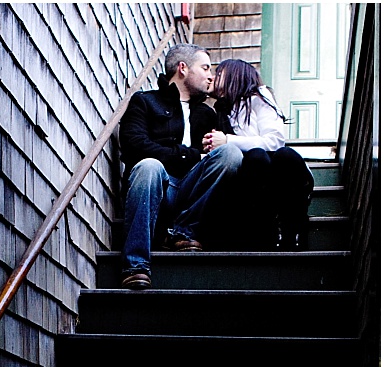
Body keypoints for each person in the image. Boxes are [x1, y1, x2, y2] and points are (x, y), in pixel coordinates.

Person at [119, 43, 244, 289]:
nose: (211, 76)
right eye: (206, 68)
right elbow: (134, 144)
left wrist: (221, 101)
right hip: (157, 188)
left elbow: (223, 160)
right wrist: (189, 156)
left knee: (229, 152)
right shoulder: (145, 101)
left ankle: (183, 233)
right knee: (149, 166)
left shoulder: (208, 114)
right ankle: (135, 265)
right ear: (183, 68)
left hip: (190, 194)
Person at [202, 58, 314, 249]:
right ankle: (265, 233)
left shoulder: (259, 96)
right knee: (255, 159)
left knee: (280, 155)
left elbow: (274, 141)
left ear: (235, 75)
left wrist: (228, 140)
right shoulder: (220, 111)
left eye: (218, 73)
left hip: (280, 175)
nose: (212, 77)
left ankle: (291, 230)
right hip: (251, 181)